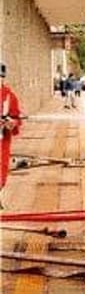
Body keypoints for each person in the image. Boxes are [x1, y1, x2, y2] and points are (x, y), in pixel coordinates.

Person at [1, 61, 23, 209]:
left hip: (2, 143)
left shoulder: (9, 96)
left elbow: (16, 117)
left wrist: (12, 123)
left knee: (1, 170)